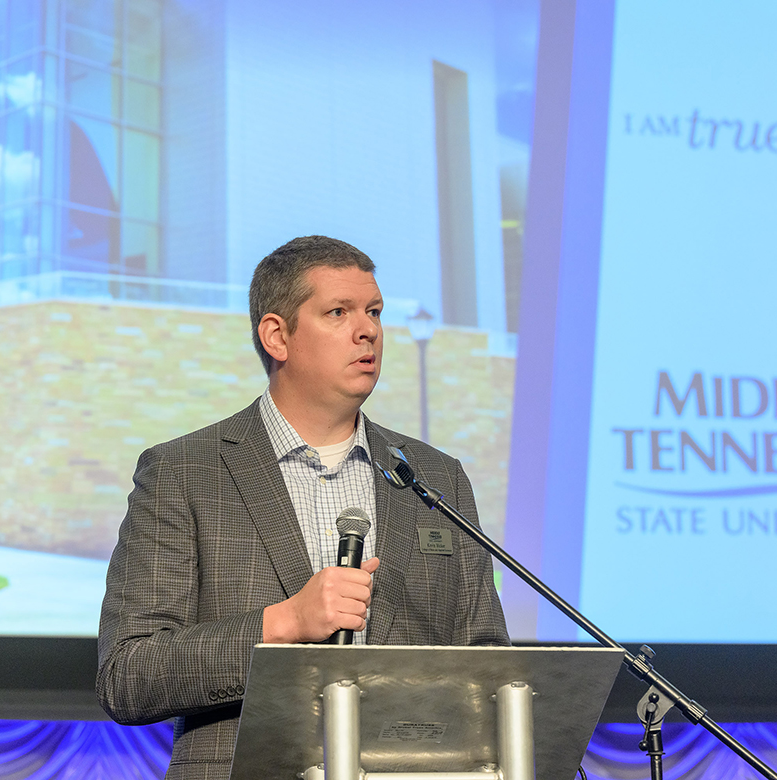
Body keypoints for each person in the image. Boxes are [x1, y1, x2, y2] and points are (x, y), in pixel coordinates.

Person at [96, 236, 510, 780]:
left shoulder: (436, 479)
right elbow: (128, 675)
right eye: (338, 312)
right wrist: (287, 621)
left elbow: (487, 669)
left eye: (375, 312)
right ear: (277, 336)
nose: (367, 331)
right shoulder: (183, 472)